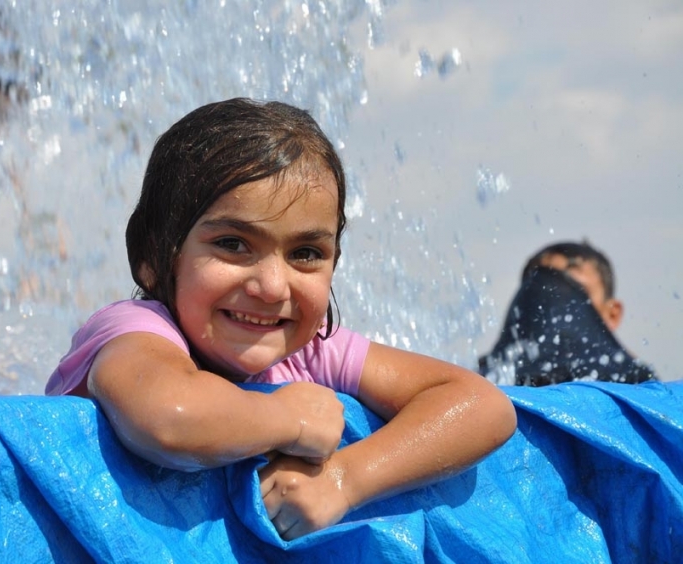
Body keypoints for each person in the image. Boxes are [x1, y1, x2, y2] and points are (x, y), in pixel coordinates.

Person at [46, 98, 517, 540]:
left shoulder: (314, 350)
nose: (272, 287)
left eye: (306, 253)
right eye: (232, 243)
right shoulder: (133, 330)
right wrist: (287, 417)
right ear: (153, 256)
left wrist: (345, 479)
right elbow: (169, 418)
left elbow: (483, 407)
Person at [479, 240, 655, 386]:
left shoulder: (637, 384)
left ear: (612, 315)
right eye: (536, 294)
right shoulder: (488, 383)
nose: (552, 305)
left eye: (576, 294)